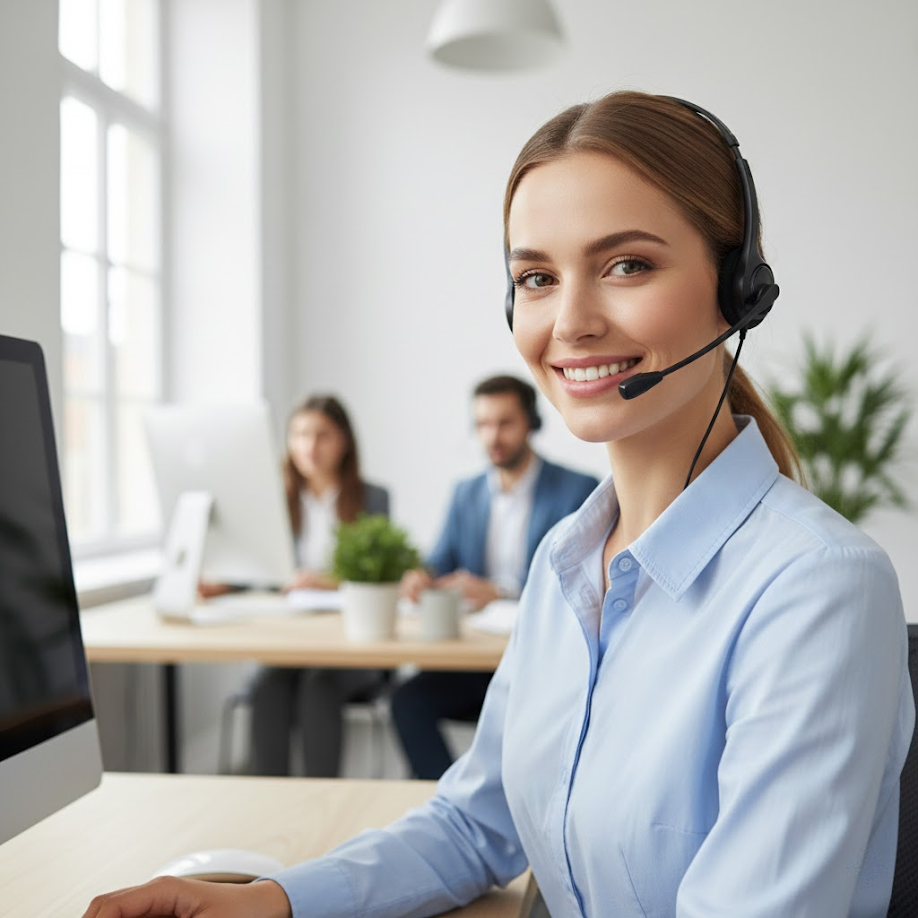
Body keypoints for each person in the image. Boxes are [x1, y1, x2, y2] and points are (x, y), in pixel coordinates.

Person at [83, 91, 914, 918]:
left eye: (628, 264)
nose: (572, 321)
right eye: (537, 277)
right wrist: (272, 900)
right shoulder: (565, 565)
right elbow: (474, 827)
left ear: (737, 288)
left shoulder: (817, 590)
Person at [395, 374, 598, 778]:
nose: (493, 436)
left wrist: (500, 592)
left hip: (540, 660)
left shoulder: (576, 490)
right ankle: (448, 805)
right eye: (484, 425)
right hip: (475, 657)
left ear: (531, 424)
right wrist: (421, 575)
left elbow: (582, 582)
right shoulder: (465, 492)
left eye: (505, 423)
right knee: (407, 702)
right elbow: (440, 560)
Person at [245, 395, 390, 777]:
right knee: (268, 687)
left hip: (351, 645)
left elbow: (381, 575)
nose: (309, 446)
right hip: (294, 639)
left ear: (344, 441)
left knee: (318, 686)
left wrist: (327, 583)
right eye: (299, 434)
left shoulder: (372, 499)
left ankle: (322, 799)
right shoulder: (276, 501)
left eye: (322, 435)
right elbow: (259, 569)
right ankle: (268, 799)